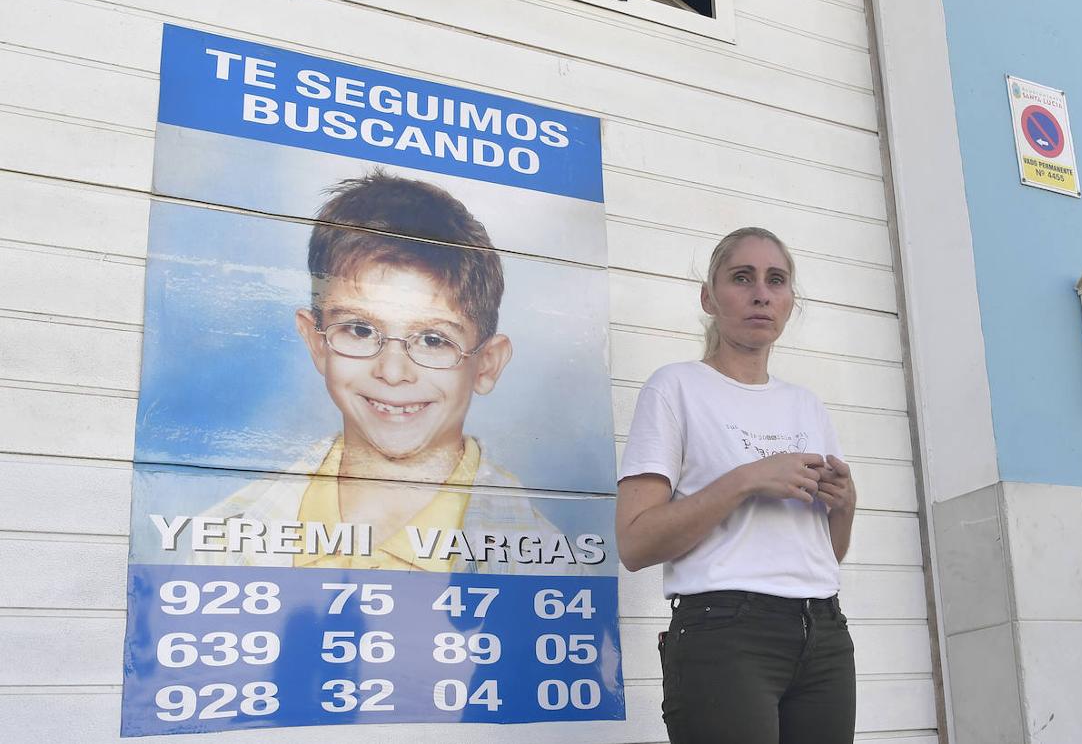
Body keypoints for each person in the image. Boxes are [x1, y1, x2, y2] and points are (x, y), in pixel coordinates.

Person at [191, 170, 572, 574]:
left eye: (433, 339)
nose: (392, 373)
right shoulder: (221, 544)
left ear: (487, 364)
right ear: (317, 342)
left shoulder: (552, 565)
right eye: (359, 329)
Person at [616, 227, 857, 744]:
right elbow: (635, 544)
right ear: (709, 297)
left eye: (776, 280)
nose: (761, 293)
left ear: (791, 300)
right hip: (725, 632)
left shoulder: (806, 405)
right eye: (741, 278)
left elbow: (824, 555)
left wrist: (845, 506)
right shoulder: (674, 387)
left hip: (824, 632)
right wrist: (747, 480)